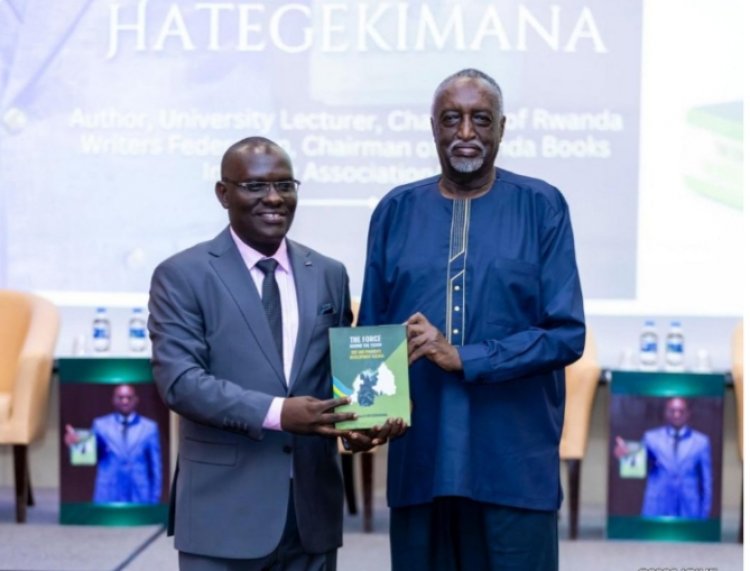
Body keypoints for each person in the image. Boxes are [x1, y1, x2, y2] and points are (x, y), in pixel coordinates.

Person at [356, 68, 586, 571]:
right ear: (432, 127)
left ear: (501, 127)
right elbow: (371, 336)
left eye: (480, 119)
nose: (465, 133)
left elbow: (567, 335)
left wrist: (464, 356)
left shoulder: (541, 206)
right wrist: (363, 417)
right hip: (420, 464)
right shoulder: (395, 210)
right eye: (451, 119)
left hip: (513, 465)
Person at [148, 137, 399, 570]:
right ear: (223, 193)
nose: (274, 198)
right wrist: (279, 413)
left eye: (285, 185)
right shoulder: (182, 275)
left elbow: (338, 375)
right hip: (222, 513)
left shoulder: (328, 273)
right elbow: (181, 383)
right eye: (255, 186)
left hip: (311, 514)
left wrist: (359, 424)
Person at [614, 397, 712, 519]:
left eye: (681, 411)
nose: (676, 415)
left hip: (688, 508)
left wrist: (704, 513)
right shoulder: (651, 438)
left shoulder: (701, 442)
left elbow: (706, 481)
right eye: (672, 411)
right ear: (666, 413)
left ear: (688, 414)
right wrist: (624, 455)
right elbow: (636, 466)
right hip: (657, 505)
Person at [64, 383, 162, 504]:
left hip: (139, 494)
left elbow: (155, 467)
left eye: (129, 397)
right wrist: (74, 444)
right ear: (113, 400)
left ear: (136, 400)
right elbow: (88, 456)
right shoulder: (100, 425)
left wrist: (155, 499)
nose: (125, 401)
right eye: (120, 397)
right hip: (108, 493)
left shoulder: (149, 428)